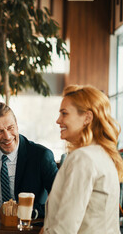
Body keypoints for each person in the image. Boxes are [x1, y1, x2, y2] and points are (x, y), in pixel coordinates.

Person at [42, 85, 123, 233]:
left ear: (87, 118)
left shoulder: (83, 158)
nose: (58, 120)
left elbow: (64, 229)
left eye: (64, 113)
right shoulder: (101, 154)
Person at [0, 102, 58, 217]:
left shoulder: (41, 156)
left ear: (16, 125)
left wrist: (28, 212)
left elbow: (61, 199)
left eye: (10, 128)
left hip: (28, 227)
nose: (7, 136)